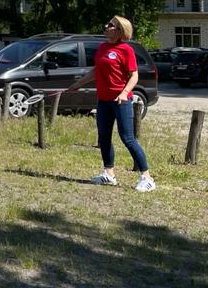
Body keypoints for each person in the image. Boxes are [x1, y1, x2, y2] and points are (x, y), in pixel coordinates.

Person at [63, 16, 155, 192]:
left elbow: (134, 76)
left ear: (120, 31)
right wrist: (77, 84)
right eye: (107, 24)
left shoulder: (126, 50)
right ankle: (109, 174)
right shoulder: (102, 47)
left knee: (128, 138)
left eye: (110, 25)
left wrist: (124, 93)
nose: (106, 26)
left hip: (121, 101)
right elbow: (96, 71)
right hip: (103, 100)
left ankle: (147, 178)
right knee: (103, 138)